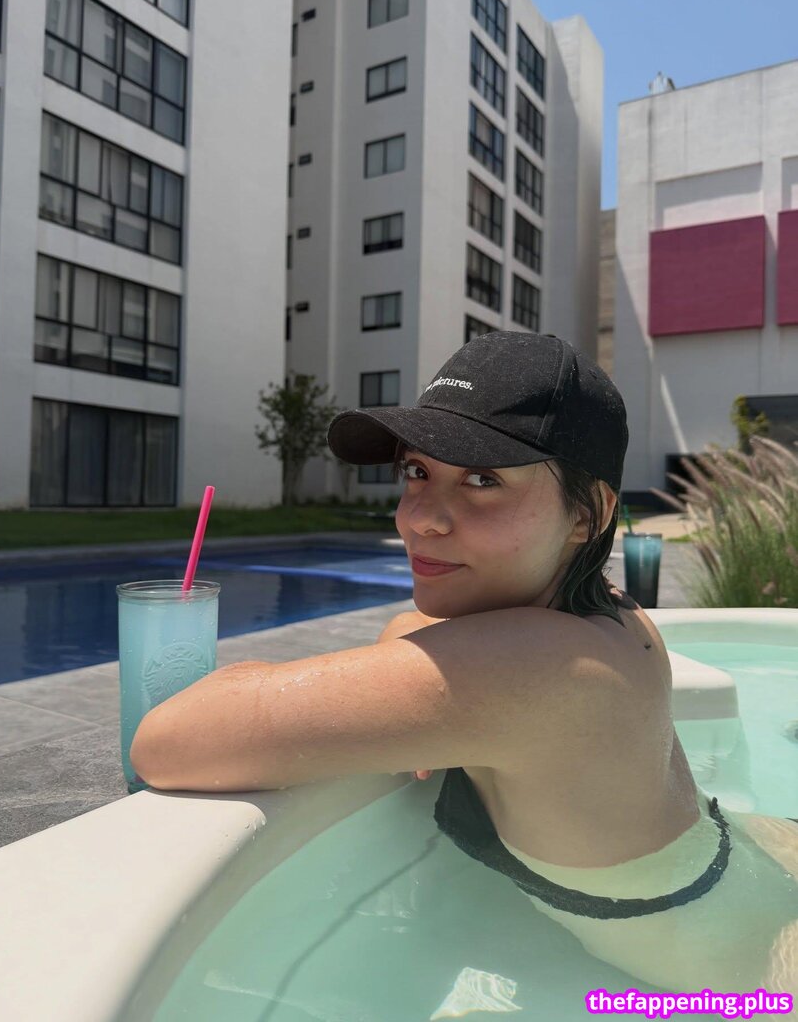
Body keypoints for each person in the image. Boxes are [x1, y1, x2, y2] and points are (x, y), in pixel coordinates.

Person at [131, 331, 798, 1004]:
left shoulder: (537, 668)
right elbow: (418, 635)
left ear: (588, 514)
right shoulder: (610, 615)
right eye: (417, 471)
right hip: (743, 870)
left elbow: (168, 739)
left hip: (752, 977)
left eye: (484, 480)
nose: (420, 519)